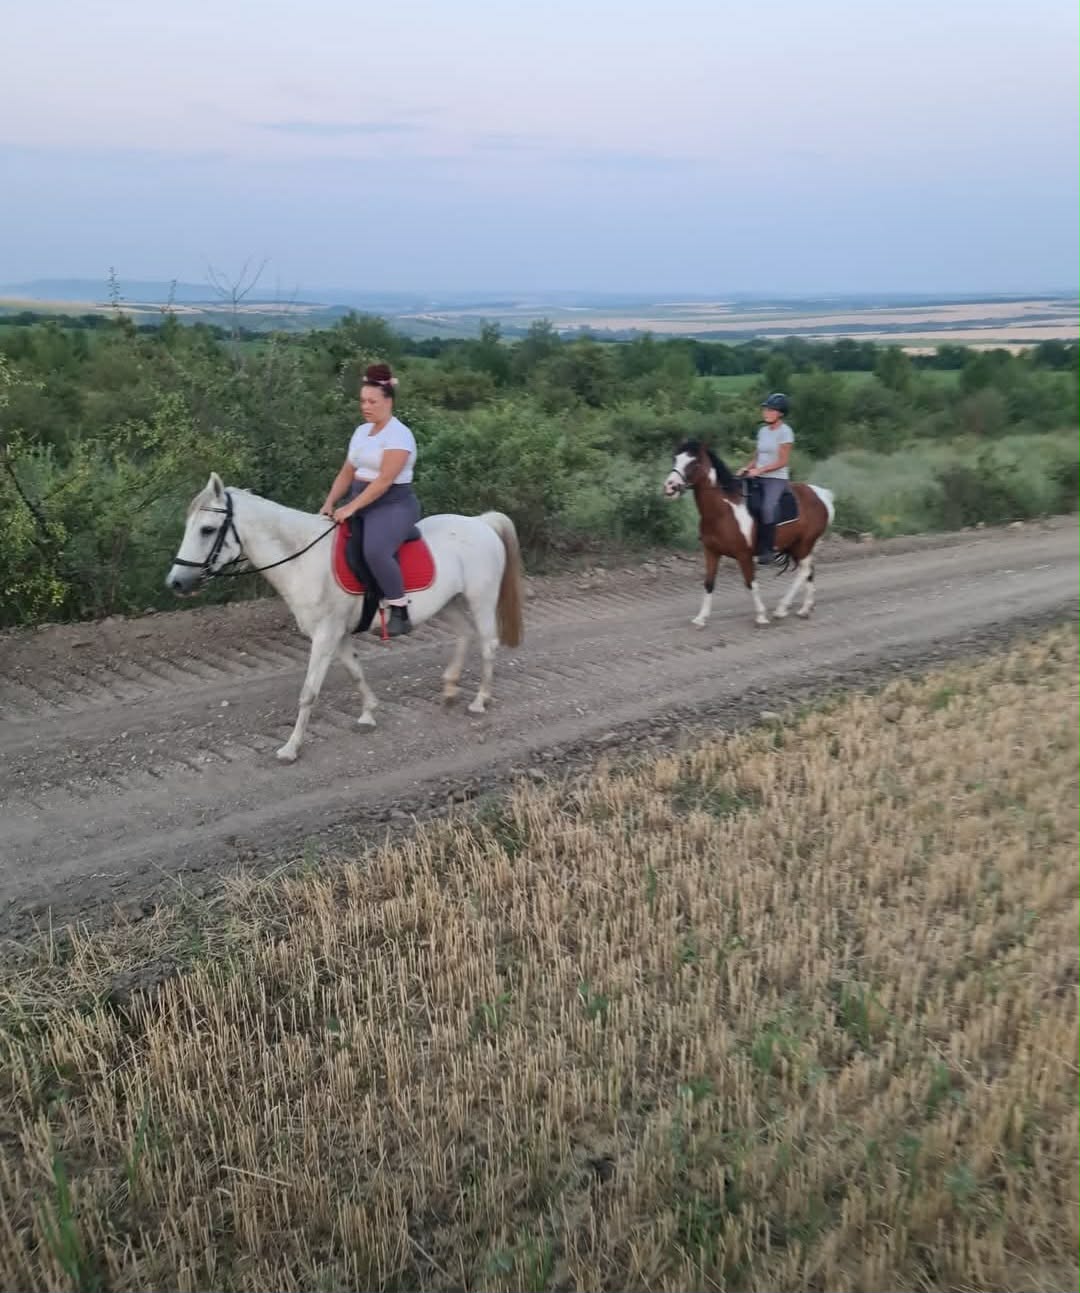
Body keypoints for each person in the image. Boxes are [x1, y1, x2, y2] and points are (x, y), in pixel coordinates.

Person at [320, 362, 420, 636]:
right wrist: (329, 503)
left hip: (393, 504)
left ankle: (400, 610)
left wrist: (350, 508)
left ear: (388, 401)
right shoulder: (361, 432)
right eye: (363, 401)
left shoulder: (399, 435)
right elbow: (346, 472)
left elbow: (384, 481)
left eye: (372, 401)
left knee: (374, 550)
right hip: (361, 501)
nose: (366, 406)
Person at [739, 392, 794, 564]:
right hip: (758, 474)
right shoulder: (762, 431)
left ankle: (768, 549)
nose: (766, 412)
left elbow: (783, 461)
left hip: (776, 478)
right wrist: (747, 468)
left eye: (770, 410)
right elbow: (757, 456)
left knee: (767, 508)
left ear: (780, 413)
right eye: (765, 409)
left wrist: (761, 470)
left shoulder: (785, 432)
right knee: (737, 498)